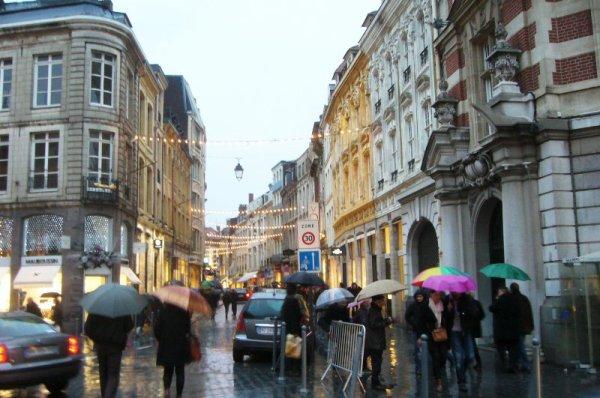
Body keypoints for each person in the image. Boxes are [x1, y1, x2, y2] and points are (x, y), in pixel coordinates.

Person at [84, 313, 134, 398]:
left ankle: (105, 395)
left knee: (103, 373)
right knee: (113, 374)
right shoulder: (121, 307)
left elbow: (87, 329)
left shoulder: (97, 307)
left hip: (101, 346)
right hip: (115, 346)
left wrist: (96, 338)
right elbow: (129, 326)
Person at [446, 292, 481, 392]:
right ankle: (461, 381)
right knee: (458, 357)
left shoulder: (467, 300)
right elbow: (446, 318)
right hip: (454, 332)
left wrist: (464, 312)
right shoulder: (448, 300)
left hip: (466, 332)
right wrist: (449, 310)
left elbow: (475, 314)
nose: (455, 292)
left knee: (470, 356)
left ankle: (462, 372)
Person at [154, 303, 192, 398]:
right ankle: (179, 395)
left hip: (167, 344)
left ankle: (167, 389)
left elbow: (157, 329)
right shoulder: (184, 312)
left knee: (167, 370)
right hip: (180, 345)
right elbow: (188, 330)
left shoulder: (163, 312)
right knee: (180, 371)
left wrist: (161, 339)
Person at [489, 286, 521, 373]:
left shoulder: (499, 300)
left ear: (502, 292)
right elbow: (519, 312)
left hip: (501, 330)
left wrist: (496, 299)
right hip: (512, 329)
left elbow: (491, 308)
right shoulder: (514, 299)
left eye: (499, 291)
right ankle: (512, 365)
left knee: (501, 349)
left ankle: (504, 365)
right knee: (512, 349)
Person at [365, 295, 393, 391]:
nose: (384, 302)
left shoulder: (376, 310)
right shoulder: (374, 311)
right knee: (376, 362)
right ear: (378, 301)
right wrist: (387, 321)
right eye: (382, 301)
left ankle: (376, 382)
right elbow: (374, 324)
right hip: (375, 342)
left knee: (376, 361)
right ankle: (375, 383)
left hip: (375, 341)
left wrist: (384, 320)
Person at [405, 289, 434, 377]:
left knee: (428, 350)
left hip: (426, 331)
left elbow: (432, 318)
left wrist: (429, 324)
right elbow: (407, 316)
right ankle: (418, 368)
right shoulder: (413, 306)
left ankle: (428, 367)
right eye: (417, 297)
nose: (419, 298)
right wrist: (413, 322)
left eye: (420, 296)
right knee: (417, 351)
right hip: (416, 331)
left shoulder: (426, 306)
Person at [428, 291, 452, 392]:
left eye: (439, 294)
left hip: (442, 334)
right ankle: (438, 380)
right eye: (436, 295)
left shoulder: (444, 305)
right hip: (431, 335)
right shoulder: (427, 306)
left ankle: (439, 372)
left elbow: (449, 319)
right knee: (436, 356)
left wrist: (450, 310)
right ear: (431, 295)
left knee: (443, 356)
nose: (438, 297)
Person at [510, 283, 534, 371]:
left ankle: (525, 363)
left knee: (519, 346)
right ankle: (520, 363)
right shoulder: (524, 298)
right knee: (519, 345)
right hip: (524, 326)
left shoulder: (512, 299)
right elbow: (529, 314)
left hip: (516, 327)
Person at [280, 283, 303, 375]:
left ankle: (291, 369)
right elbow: (297, 314)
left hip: (289, 327)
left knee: (291, 349)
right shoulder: (293, 300)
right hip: (293, 327)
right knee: (293, 349)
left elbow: (284, 314)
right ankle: (293, 370)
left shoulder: (288, 299)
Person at [470, 294, 485, 371]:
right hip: (474, 327)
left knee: (472, 345)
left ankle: (476, 362)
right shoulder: (477, 303)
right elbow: (482, 315)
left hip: (469, 328)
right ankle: (477, 362)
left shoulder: (470, 303)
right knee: (472, 345)